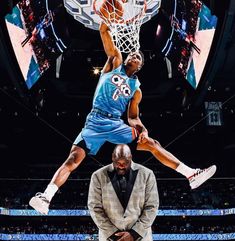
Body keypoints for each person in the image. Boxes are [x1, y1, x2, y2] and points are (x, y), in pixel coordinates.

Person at [29, 21, 216, 215]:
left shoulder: (136, 90)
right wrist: (108, 17)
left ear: (140, 66)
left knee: (152, 142)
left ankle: (191, 174)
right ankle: (46, 197)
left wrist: (142, 129)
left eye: (138, 56)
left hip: (116, 124)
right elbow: (103, 31)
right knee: (73, 160)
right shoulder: (115, 62)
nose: (133, 54)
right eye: (133, 53)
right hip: (94, 121)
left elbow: (133, 117)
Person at [88, 144, 159, 241]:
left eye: (125, 162)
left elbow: (152, 206)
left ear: (130, 157)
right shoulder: (97, 176)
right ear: (113, 157)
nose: (121, 166)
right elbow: (94, 207)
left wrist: (134, 234)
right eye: (118, 162)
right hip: (109, 238)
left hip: (140, 237)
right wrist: (114, 235)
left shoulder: (147, 174)